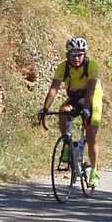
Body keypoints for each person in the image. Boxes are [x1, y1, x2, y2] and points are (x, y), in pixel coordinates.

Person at [38, 37, 103, 188]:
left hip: (93, 99)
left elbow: (91, 93)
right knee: (63, 112)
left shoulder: (91, 66)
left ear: (84, 54)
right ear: (67, 55)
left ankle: (94, 171)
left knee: (91, 136)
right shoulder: (63, 67)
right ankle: (67, 144)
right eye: (73, 55)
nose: (77, 58)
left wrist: (86, 109)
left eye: (80, 54)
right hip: (75, 98)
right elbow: (53, 89)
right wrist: (45, 108)